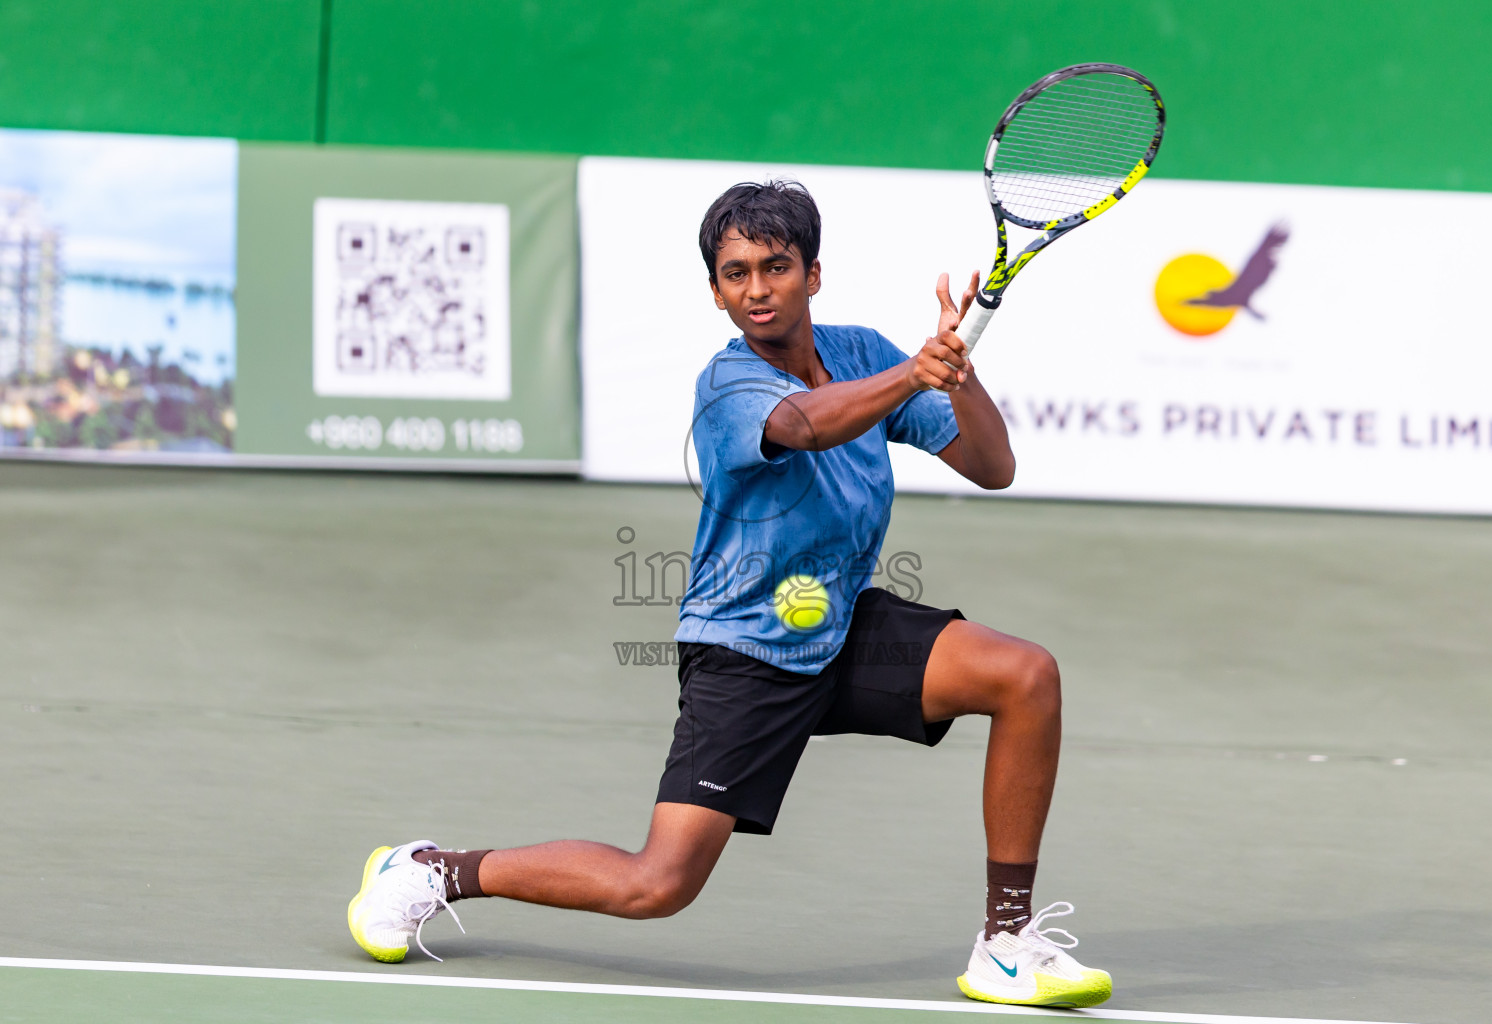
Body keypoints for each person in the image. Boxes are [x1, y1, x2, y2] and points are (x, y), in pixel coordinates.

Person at [347, 180, 1111, 1008]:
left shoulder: (860, 352)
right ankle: (435, 872)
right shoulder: (728, 385)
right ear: (714, 289)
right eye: (735, 272)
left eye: (775, 267)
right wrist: (910, 377)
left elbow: (992, 469)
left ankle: (1005, 942)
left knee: (1024, 676)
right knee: (657, 884)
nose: (756, 289)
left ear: (812, 274)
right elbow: (809, 424)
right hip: (745, 650)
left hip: (838, 621)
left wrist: (954, 370)